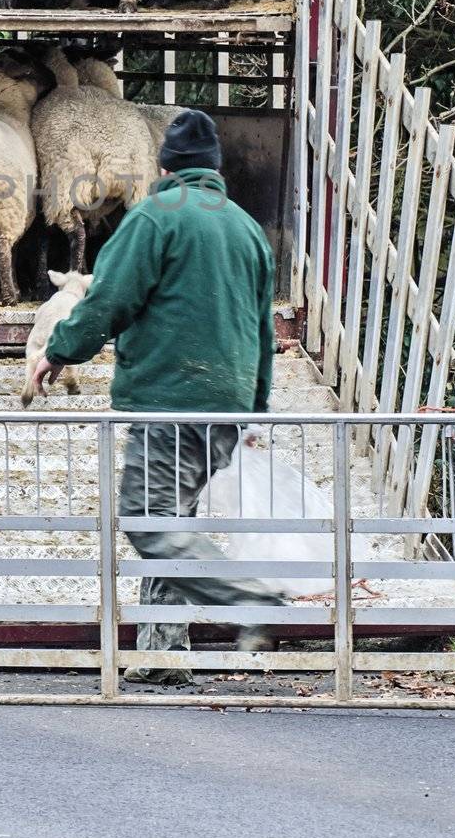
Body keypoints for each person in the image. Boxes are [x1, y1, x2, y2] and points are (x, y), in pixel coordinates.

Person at [30, 108, 285, 685]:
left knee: (147, 522)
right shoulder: (245, 228)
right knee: (176, 519)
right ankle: (163, 657)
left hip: (170, 398)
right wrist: (257, 407)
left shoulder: (155, 216)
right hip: (227, 401)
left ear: (165, 165)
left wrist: (60, 350)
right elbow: (263, 331)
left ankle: (248, 598)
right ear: (215, 167)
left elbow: (108, 298)